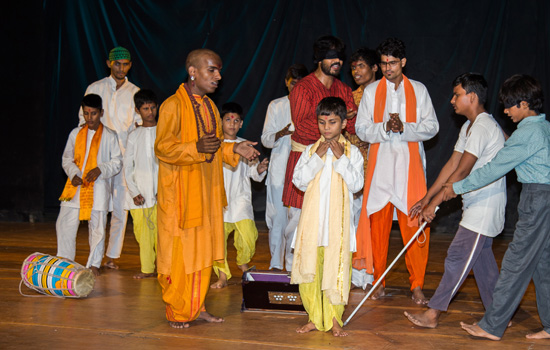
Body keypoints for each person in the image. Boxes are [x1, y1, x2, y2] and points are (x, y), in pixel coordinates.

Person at [154, 49, 260, 329]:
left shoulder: (211, 107)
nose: (218, 76)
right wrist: (194, 148)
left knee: (201, 257)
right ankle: (178, 311)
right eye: (212, 70)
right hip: (180, 197)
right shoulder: (172, 106)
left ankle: (197, 307)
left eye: (219, 70)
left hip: (206, 194)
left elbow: (213, 147)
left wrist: (234, 147)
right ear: (193, 72)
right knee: (180, 257)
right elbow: (163, 148)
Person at [442, 75, 550, 341]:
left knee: (515, 263)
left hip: (538, 199)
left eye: (510, 106)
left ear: (524, 104)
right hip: (543, 197)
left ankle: (492, 325)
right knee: (543, 265)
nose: (504, 111)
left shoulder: (528, 133)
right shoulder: (541, 127)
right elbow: (511, 145)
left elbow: (493, 169)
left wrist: (455, 188)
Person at [403, 73, 506, 328]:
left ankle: (433, 313)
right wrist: (427, 197)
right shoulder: (468, 126)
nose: (452, 100)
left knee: (457, 257)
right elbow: (452, 164)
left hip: (485, 206)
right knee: (483, 264)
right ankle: (500, 315)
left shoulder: (483, 126)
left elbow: (463, 172)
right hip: (475, 204)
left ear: (472, 96)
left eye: (457, 94)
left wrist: (434, 205)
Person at [355, 37, 439, 304]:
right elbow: (360, 129)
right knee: (377, 228)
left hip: (409, 169)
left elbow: (432, 127)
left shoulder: (419, 89)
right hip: (380, 170)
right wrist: (383, 128)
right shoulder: (371, 92)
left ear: (403, 62)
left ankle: (417, 285)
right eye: (383, 63)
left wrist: (405, 128)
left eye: (392, 62)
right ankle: (378, 281)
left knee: (414, 228)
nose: (387, 67)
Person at [282, 35, 358, 272]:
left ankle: (327, 275)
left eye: (339, 58)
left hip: (336, 160)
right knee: (297, 219)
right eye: (331, 58)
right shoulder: (303, 88)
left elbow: (353, 128)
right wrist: (334, 126)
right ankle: (291, 274)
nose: (337, 62)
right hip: (307, 157)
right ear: (318, 60)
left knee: (331, 220)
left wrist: (350, 121)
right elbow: (302, 126)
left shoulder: (343, 89)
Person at [291, 97, 364, 337]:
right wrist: (317, 158)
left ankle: (334, 320)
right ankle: (313, 318)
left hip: (337, 227)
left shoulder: (352, 152)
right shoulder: (311, 150)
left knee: (337, 270)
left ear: (343, 123)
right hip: (313, 224)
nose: (326, 128)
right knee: (310, 269)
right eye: (322, 122)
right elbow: (299, 181)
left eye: (332, 122)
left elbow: (356, 185)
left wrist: (341, 158)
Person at [79, 46, 141, 270]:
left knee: (120, 208)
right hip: (99, 159)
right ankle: (94, 256)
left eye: (125, 64)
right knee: (97, 208)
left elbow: (140, 125)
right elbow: (82, 122)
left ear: (130, 65)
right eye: (117, 64)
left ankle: (112, 257)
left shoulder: (135, 92)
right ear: (108, 63)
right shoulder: (95, 88)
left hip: (124, 158)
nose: (121, 68)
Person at [57, 94, 122, 276]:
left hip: (98, 188)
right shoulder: (75, 133)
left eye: (93, 113)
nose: (89, 118)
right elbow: (66, 158)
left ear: (101, 113)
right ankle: (65, 261)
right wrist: (73, 173)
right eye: (86, 113)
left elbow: (117, 162)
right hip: (75, 188)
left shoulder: (110, 135)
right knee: (64, 223)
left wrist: (101, 169)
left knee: (98, 228)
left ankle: (94, 264)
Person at [211, 102, 269, 288]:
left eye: (236, 120)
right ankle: (222, 276)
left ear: (241, 124)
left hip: (240, 200)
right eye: (228, 119)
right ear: (220, 122)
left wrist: (259, 169)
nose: (232, 124)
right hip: (219, 202)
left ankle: (242, 262)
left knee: (249, 236)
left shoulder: (245, 145)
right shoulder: (214, 146)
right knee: (217, 243)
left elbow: (255, 175)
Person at [261, 63, 308, 271]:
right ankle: (275, 263)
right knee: (278, 218)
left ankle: (293, 264)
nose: (295, 87)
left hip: (301, 170)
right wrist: (280, 133)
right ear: (286, 83)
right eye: (292, 83)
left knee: (297, 218)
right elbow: (266, 140)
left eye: (300, 83)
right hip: (280, 170)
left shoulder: (310, 105)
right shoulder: (276, 105)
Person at [348, 47, 379, 290]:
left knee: (375, 221)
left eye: (361, 66)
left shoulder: (386, 94)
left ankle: (373, 273)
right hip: (356, 165)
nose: (356, 71)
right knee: (355, 218)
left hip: (381, 165)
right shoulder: (351, 97)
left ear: (375, 68)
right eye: (353, 67)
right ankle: (356, 272)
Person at [123, 89, 159, 279]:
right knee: (143, 234)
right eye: (145, 108)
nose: (150, 112)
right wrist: (134, 192)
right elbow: (128, 167)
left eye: (153, 107)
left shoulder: (164, 132)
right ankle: (147, 269)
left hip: (161, 194)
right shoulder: (133, 136)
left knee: (163, 235)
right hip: (139, 196)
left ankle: (165, 269)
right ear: (138, 110)